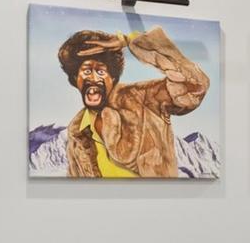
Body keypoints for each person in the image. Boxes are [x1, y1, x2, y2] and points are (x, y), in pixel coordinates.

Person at [56, 26, 210, 178]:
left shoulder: (144, 97)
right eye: (87, 71)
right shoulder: (77, 131)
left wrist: (129, 41)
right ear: (76, 79)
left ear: (113, 78)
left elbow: (195, 86)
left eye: (101, 71)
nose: (94, 78)